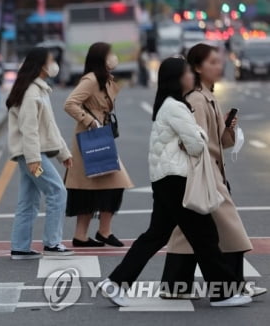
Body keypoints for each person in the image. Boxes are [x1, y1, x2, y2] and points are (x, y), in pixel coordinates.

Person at [99, 57, 252, 308]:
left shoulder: (170, 105)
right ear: (178, 78)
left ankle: (115, 282)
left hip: (165, 179)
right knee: (204, 236)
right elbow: (195, 145)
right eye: (187, 73)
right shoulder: (176, 108)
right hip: (177, 180)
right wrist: (200, 135)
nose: (192, 76)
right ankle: (223, 293)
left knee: (156, 235)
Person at [160, 44, 266, 298]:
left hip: (209, 173)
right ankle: (233, 286)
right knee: (231, 231)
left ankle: (175, 285)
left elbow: (219, 143)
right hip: (203, 175)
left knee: (188, 233)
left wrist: (227, 126)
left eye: (220, 62)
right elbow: (191, 142)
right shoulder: (197, 98)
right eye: (213, 62)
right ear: (197, 67)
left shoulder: (206, 95)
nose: (219, 66)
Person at [5, 47, 74, 260]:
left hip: (31, 154)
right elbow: (30, 129)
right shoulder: (32, 92)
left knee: (28, 200)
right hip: (32, 155)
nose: (54, 64)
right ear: (42, 65)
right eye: (51, 60)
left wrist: (64, 153)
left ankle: (20, 247)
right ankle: (52, 242)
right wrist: (34, 159)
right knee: (57, 192)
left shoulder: (38, 90)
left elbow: (49, 127)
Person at [63, 42, 133, 248]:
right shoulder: (92, 79)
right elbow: (70, 103)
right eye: (110, 54)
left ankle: (86, 235)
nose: (114, 58)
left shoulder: (103, 80)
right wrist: (89, 121)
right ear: (101, 58)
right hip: (91, 136)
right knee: (97, 185)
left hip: (100, 135)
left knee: (97, 185)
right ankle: (99, 232)